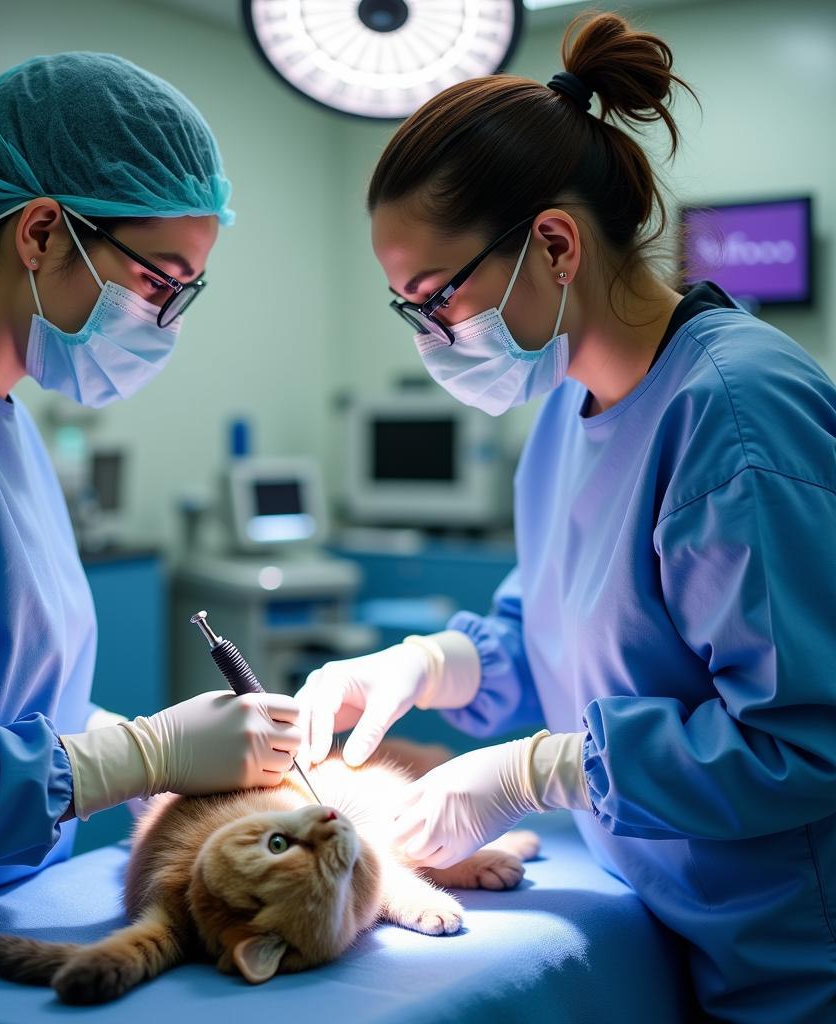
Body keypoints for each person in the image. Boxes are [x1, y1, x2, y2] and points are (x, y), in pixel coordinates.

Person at [296, 13, 836, 1022]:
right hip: (672, 914)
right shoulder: (561, 416)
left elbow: (805, 739)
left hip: (797, 948)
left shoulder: (734, 412)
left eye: (434, 299)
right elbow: (540, 629)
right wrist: (428, 665)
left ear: (551, 242)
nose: (429, 337)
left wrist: (541, 768)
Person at [0, 52, 301, 966]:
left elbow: (7, 694)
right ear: (39, 232)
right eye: (159, 279)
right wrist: (142, 758)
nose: (167, 319)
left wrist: (142, 747)